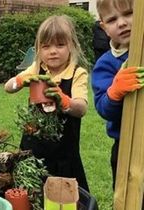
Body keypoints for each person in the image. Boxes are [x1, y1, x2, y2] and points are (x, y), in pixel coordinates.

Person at [4, 15, 90, 191]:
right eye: (46, 46)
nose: (53, 51)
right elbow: (8, 87)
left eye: (60, 45)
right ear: (38, 49)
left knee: (64, 197)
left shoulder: (77, 73)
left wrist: (64, 100)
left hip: (63, 153)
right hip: (32, 148)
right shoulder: (37, 68)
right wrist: (19, 82)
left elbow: (81, 109)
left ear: (72, 46)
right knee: (30, 192)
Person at [92, 0, 144, 189]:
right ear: (104, 28)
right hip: (126, 147)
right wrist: (114, 92)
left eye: (129, 13)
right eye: (112, 19)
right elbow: (103, 108)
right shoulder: (106, 63)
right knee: (128, 195)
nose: (121, 23)